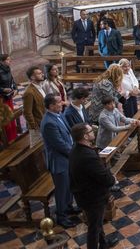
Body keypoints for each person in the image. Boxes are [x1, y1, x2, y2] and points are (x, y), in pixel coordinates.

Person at [69, 123, 118, 249]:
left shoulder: (76, 149)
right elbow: (103, 176)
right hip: (92, 198)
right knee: (94, 228)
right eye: (91, 131)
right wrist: (113, 179)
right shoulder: (87, 156)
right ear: (85, 136)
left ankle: (103, 243)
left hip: (84, 194)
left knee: (97, 223)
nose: (93, 132)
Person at [40, 93, 78, 229]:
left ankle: (68, 207)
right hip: (59, 161)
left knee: (69, 186)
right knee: (62, 190)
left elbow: (68, 133)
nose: (62, 103)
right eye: (58, 102)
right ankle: (61, 216)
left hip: (67, 157)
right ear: (51, 106)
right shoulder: (49, 123)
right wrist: (75, 154)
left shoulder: (58, 115)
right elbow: (59, 144)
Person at [0, 54, 18, 142]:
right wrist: (3, 89)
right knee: (5, 118)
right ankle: (6, 139)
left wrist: (15, 88)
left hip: (8, 97)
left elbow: (12, 81)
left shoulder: (7, 68)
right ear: (1, 61)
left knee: (11, 116)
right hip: (1, 99)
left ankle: (13, 137)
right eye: (8, 60)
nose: (10, 61)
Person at [23, 65, 46, 130]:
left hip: (44, 121)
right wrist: (34, 126)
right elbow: (27, 112)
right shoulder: (29, 92)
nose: (42, 74)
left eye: (42, 73)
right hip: (37, 126)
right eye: (39, 73)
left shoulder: (40, 86)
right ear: (32, 77)